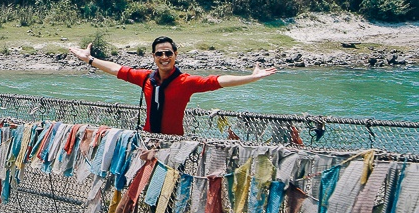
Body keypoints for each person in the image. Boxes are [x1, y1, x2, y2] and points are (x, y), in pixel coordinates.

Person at [68, 36, 277, 136]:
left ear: (175, 55)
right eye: (159, 53)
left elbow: (218, 81)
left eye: (168, 53)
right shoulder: (145, 78)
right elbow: (117, 69)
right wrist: (90, 60)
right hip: (148, 140)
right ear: (154, 57)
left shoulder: (186, 82)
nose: (164, 57)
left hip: (174, 144)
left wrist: (251, 78)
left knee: (170, 194)